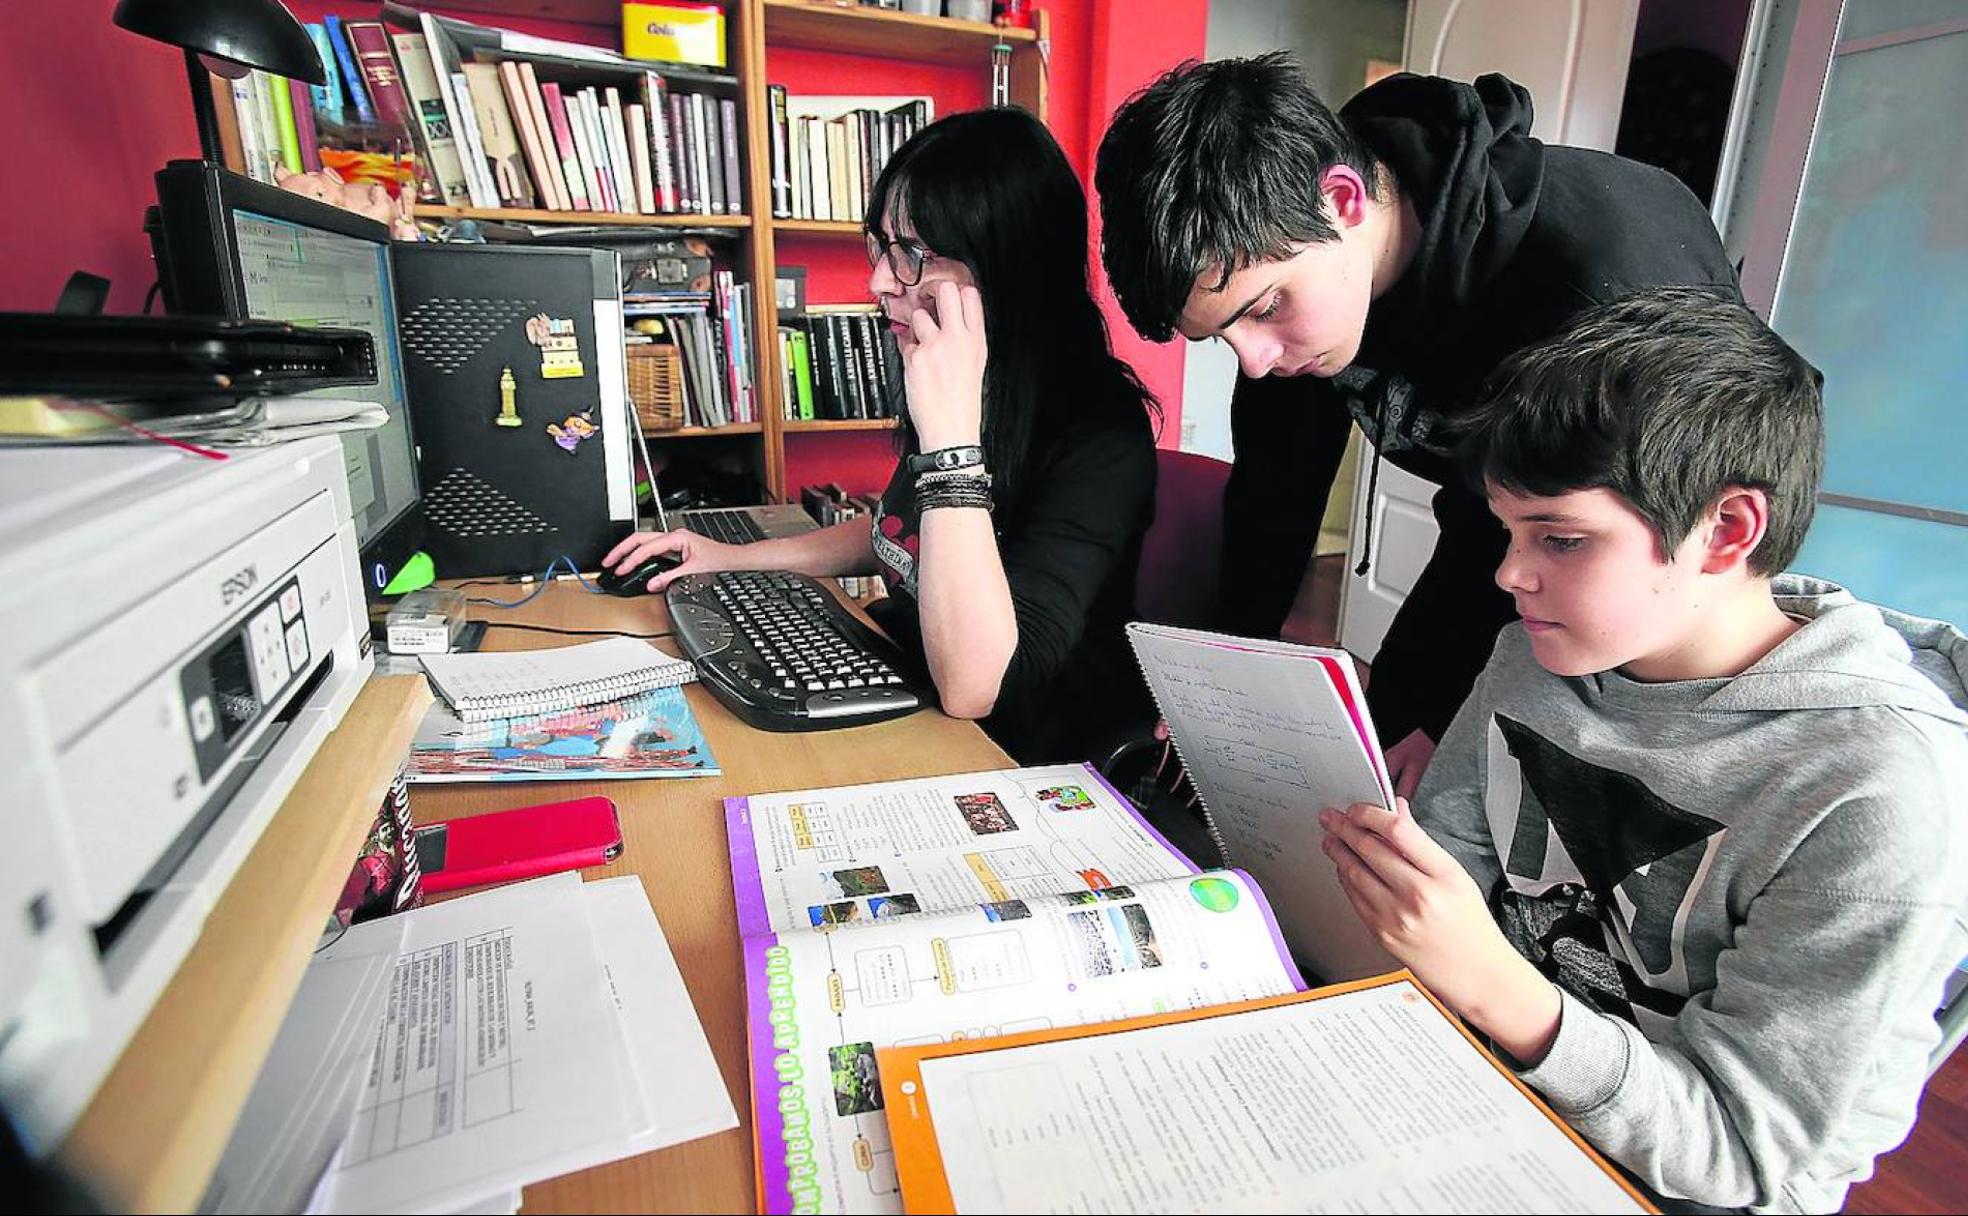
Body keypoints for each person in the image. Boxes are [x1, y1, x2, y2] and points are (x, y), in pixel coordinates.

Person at [1315, 288, 1968, 1213]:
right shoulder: (1534, 653)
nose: (1508, 574)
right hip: (1478, 1080)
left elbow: (1743, 1150)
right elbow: (1446, 876)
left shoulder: (1876, 791)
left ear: (1727, 532)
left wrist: (1500, 989)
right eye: (1508, 532)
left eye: (1562, 538)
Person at [1094, 55, 1741, 795]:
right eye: (1221, 336)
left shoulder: (1601, 276)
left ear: (1341, 199)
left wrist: (1446, 715)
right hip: (1501, 533)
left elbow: (1583, 545)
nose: (1255, 360)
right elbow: (1276, 490)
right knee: (1391, 749)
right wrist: (1226, 678)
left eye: (1265, 309)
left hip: (1647, 576)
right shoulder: (1303, 263)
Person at [604, 108, 1158, 764]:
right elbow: (895, 533)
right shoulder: (974, 384)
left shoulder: (1101, 431)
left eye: (914, 255)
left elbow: (978, 687)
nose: (877, 282)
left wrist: (951, 442)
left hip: (1011, 751)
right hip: (912, 689)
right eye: (882, 246)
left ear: (1007, 265)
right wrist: (726, 557)